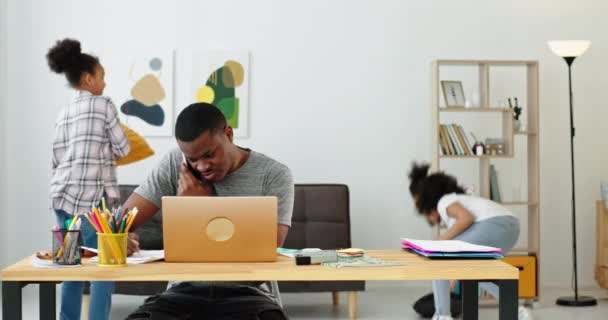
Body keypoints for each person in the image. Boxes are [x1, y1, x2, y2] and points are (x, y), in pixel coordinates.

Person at [122, 102, 294, 320]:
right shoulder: (174, 163)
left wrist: (201, 206)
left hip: (249, 293)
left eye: (209, 155)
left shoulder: (274, 174)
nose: (202, 166)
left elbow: (270, 243)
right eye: (192, 160)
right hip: (182, 291)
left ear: (229, 134)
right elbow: (120, 222)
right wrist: (120, 236)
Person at [47, 38, 130, 320]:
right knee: (103, 269)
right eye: (102, 76)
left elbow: (57, 158)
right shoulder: (103, 104)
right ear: (87, 78)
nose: (105, 83)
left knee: (70, 267)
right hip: (92, 205)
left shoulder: (63, 113)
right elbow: (123, 148)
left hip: (61, 200)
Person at [408, 163, 531, 320]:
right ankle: (517, 311)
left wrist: (441, 240)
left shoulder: (444, 201)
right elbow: (458, 256)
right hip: (511, 228)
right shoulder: (461, 200)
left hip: (494, 225)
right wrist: (451, 279)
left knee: (438, 254)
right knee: (477, 271)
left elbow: (466, 218)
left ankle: (442, 315)